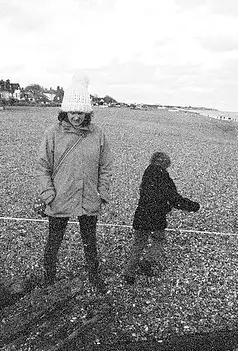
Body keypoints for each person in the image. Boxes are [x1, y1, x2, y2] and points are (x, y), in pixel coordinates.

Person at [36, 73, 114, 293]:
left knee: (90, 242)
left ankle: (94, 276)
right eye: (72, 112)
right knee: (54, 242)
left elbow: (106, 167)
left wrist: (102, 192)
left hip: (88, 196)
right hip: (59, 197)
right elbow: (42, 167)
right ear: (64, 111)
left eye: (80, 112)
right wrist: (48, 195)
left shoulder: (98, 134)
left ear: (87, 112)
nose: (76, 117)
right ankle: (48, 279)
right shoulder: (52, 134)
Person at [122, 151, 200, 285]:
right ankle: (147, 261)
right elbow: (174, 199)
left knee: (139, 244)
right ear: (163, 163)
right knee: (159, 240)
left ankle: (129, 273)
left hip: (142, 214)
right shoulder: (164, 176)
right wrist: (192, 206)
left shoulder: (147, 173)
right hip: (157, 216)